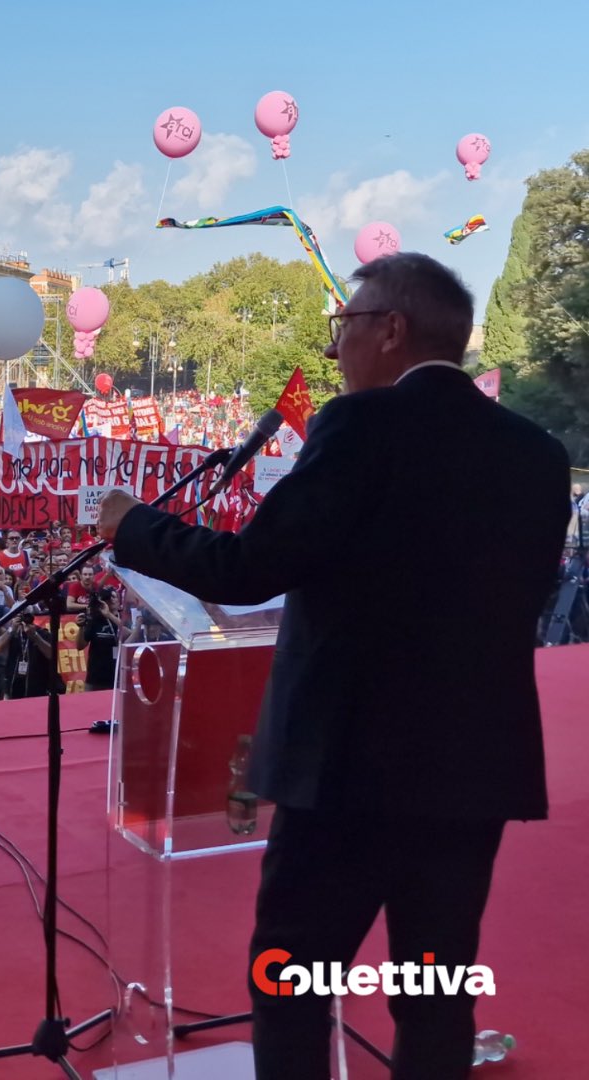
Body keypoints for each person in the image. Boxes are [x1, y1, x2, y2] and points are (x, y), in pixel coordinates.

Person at [97, 253, 571, 1080]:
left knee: (292, 976)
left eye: (343, 328)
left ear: (390, 329)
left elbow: (249, 569)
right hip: (472, 763)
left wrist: (134, 529)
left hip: (349, 766)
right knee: (437, 984)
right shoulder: (536, 452)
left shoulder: (361, 426)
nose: (335, 350)